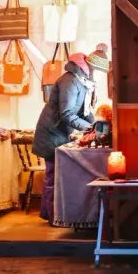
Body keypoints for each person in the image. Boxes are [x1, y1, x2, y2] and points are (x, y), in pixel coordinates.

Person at [32, 51, 97, 223]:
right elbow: (67, 113)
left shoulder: (82, 82)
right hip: (52, 133)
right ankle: (53, 216)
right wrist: (90, 127)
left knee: (56, 174)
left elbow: (85, 111)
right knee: (54, 174)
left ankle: (52, 214)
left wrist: (96, 124)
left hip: (59, 132)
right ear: (84, 66)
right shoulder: (70, 81)